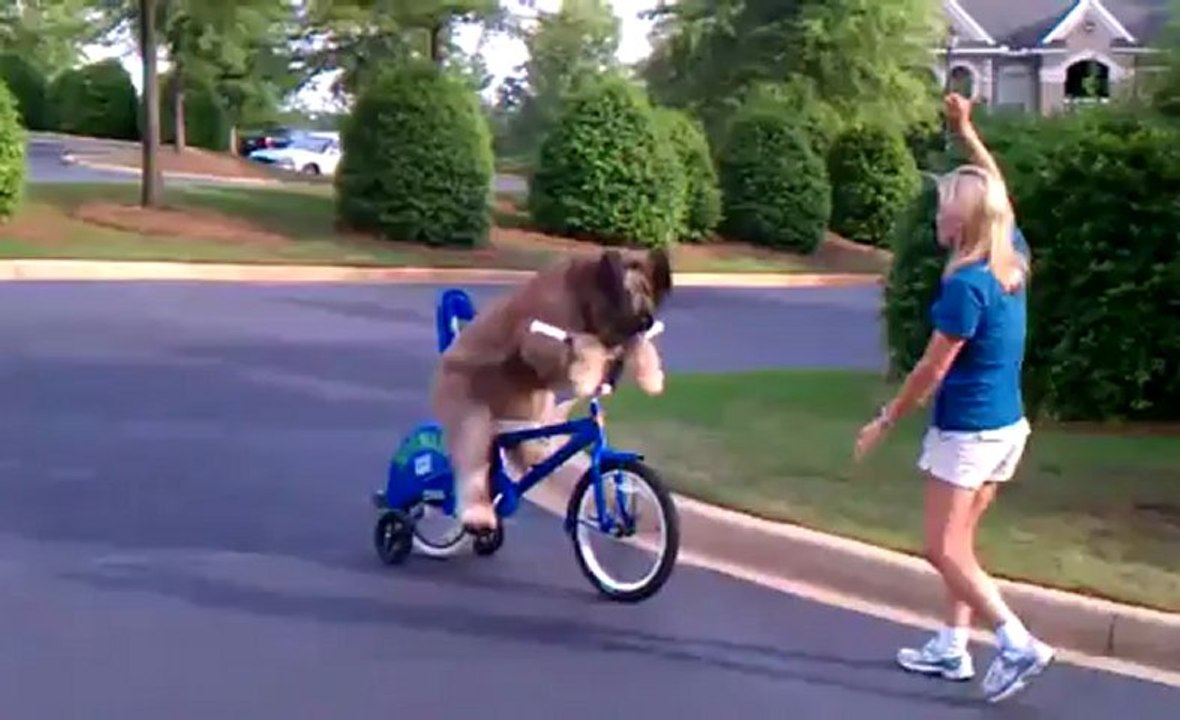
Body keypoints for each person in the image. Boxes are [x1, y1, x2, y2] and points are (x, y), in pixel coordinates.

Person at [852, 93, 1052, 704]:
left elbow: (930, 371)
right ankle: (952, 647)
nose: (936, 216)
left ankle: (1017, 642)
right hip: (1007, 430)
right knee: (961, 542)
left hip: (968, 433)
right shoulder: (1008, 256)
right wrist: (965, 133)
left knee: (940, 547)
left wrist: (885, 420)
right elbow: (995, 184)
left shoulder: (966, 286)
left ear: (960, 222)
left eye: (943, 209)